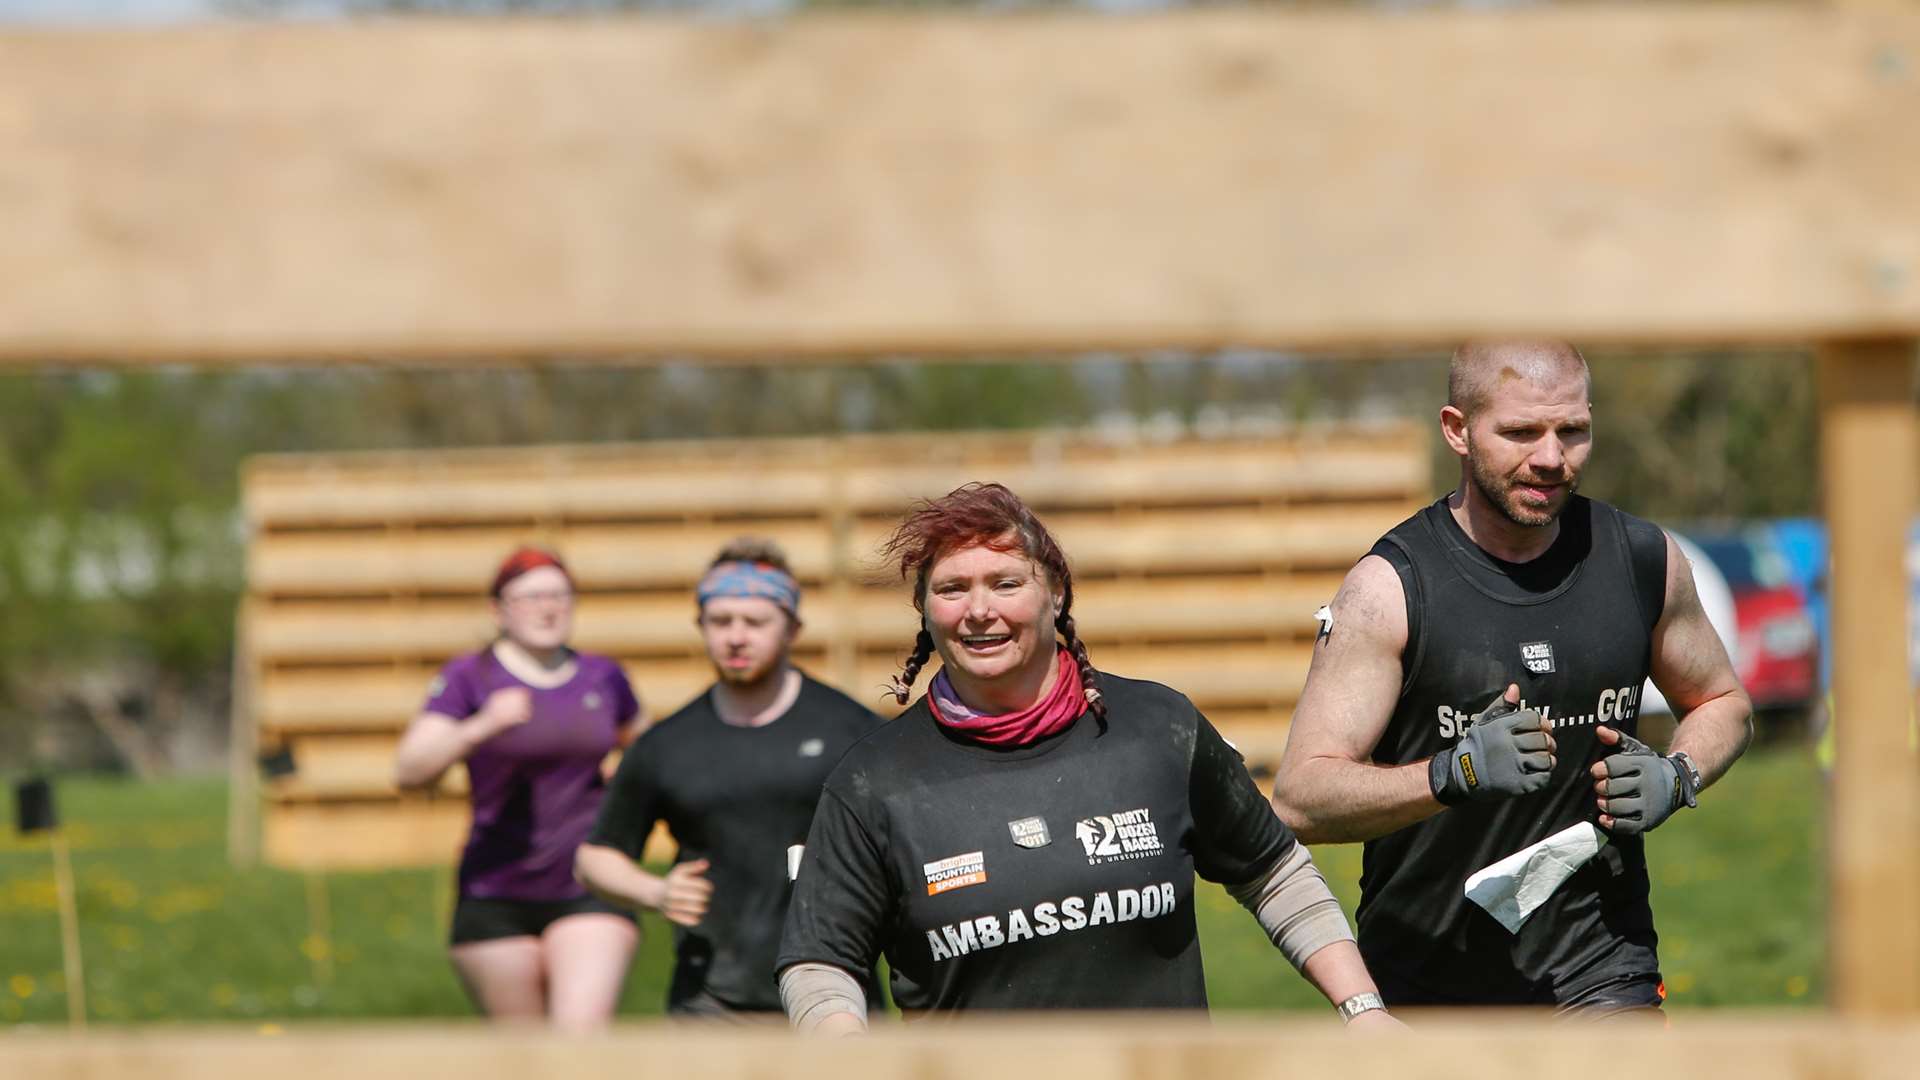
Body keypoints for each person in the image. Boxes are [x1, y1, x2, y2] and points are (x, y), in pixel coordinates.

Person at [776, 483, 1399, 1032]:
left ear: (1055, 593)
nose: (979, 610)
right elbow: (820, 962)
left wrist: (1363, 1011)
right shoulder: (873, 781)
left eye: (1005, 583)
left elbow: (1274, 872)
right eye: (952, 589)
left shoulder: (1158, 729)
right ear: (925, 612)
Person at [1271, 342, 1754, 1015]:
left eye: (1572, 431)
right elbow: (1300, 797)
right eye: (1521, 432)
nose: (1552, 458)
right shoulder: (1390, 589)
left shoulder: (1643, 559)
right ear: (1456, 430)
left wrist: (1680, 775)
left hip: (1603, 972)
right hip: (1429, 986)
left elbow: (1724, 702)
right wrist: (1450, 774)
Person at [576, 539, 883, 1019]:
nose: (736, 637)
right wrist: (655, 892)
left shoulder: (853, 732)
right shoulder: (667, 744)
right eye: (721, 622)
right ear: (701, 627)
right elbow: (596, 857)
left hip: (838, 995)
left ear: (793, 628)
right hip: (711, 1003)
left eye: (755, 622)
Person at [393, 546, 646, 1031]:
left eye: (558, 596)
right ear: (499, 610)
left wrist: (630, 778)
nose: (547, 608)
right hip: (495, 891)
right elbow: (408, 772)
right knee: (523, 1053)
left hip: (589, 882)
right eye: (530, 598)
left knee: (581, 1041)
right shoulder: (469, 678)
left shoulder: (605, 676)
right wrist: (479, 727)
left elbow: (651, 752)